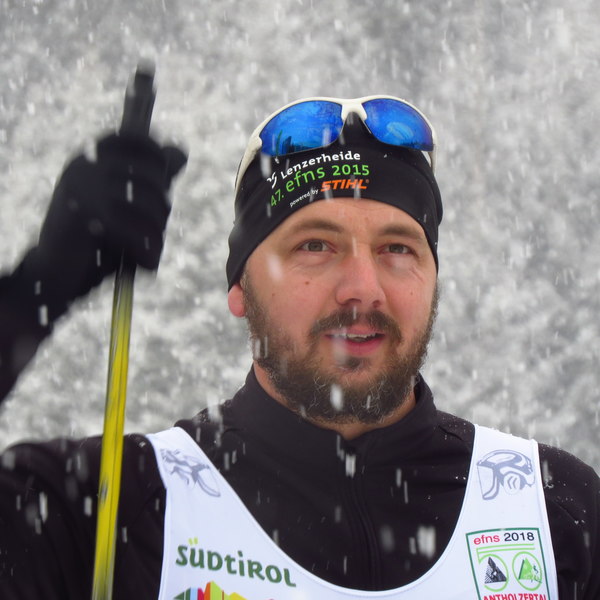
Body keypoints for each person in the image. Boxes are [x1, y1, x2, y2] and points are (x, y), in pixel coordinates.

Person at [0, 96, 597, 600]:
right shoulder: (107, 507)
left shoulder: (554, 511)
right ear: (240, 287)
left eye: (397, 248)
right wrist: (34, 291)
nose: (363, 288)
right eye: (315, 245)